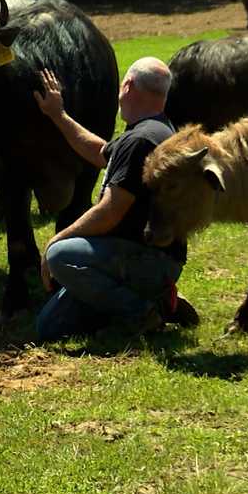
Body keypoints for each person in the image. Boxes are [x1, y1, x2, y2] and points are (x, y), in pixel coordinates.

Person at [32, 57, 198, 341]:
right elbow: (101, 154)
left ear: (128, 85)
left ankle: (143, 311)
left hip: (145, 260)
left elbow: (110, 212)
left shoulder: (139, 140)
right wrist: (58, 115)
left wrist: (56, 240)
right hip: (143, 259)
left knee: (60, 255)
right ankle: (159, 300)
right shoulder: (156, 130)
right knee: (50, 326)